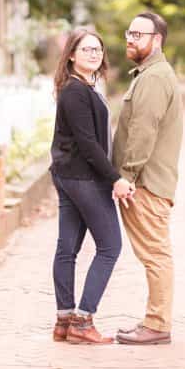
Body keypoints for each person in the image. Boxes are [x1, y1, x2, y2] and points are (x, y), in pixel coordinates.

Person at [49, 27, 135, 345]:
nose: (94, 54)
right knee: (110, 246)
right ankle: (83, 321)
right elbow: (88, 143)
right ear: (71, 55)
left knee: (67, 248)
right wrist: (115, 179)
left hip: (68, 175)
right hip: (84, 178)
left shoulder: (84, 87)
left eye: (98, 49)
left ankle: (64, 321)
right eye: (86, 49)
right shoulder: (76, 91)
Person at [113, 11, 183, 345]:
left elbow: (144, 131)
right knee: (155, 254)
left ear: (156, 40)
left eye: (138, 35)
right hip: (147, 181)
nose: (130, 39)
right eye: (129, 32)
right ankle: (155, 320)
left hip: (146, 184)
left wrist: (127, 175)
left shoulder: (154, 78)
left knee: (155, 254)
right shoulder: (150, 74)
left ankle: (157, 325)